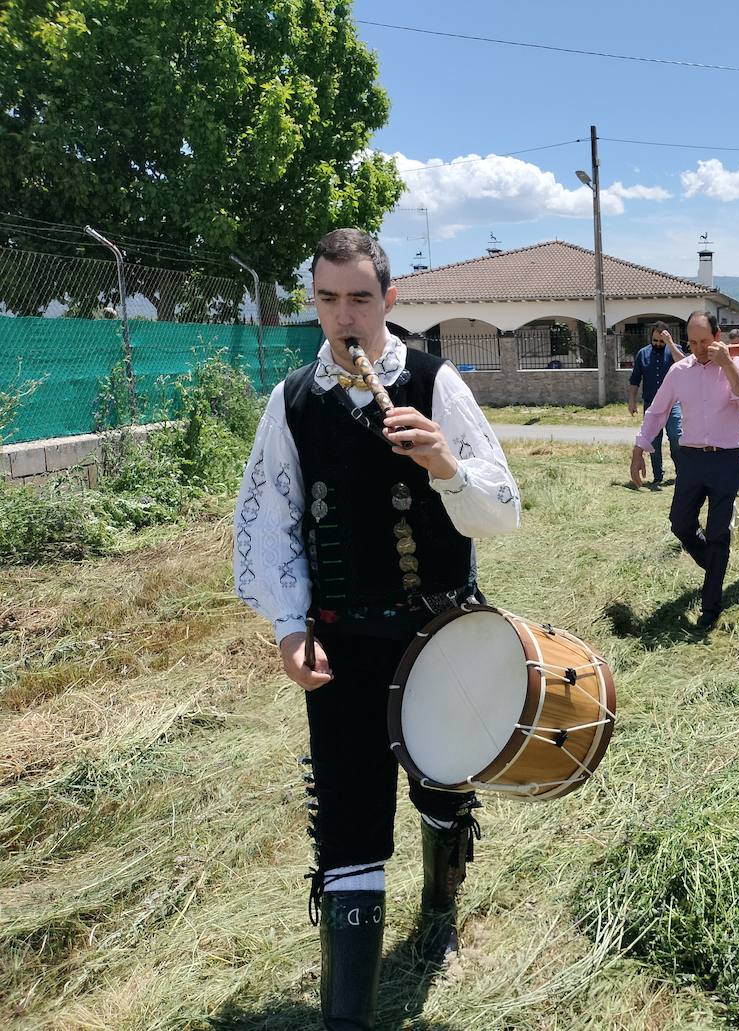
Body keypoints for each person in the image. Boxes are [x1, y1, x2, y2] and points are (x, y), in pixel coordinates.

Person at [232, 229, 522, 1028]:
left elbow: (502, 510)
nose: (343, 315)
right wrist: (290, 626)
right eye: (327, 298)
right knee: (350, 817)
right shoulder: (293, 399)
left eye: (360, 297)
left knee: (441, 787)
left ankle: (439, 914)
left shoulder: (435, 383)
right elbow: (269, 523)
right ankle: (346, 1017)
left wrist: (448, 470)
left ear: (389, 301)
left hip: (440, 639)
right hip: (341, 647)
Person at [630, 311, 739, 631]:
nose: (700, 348)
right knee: (680, 523)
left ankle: (711, 605)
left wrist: (727, 365)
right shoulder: (679, 371)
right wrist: (639, 449)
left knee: (718, 533)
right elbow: (657, 411)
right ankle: (715, 569)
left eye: (706, 341)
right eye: (694, 342)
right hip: (691, 458)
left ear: (718, 336)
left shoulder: (736, 366)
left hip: (727, 459)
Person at [627, 322, 685, 486]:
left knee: (676, 436)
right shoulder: (642, 354)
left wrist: (670, 344)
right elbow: (634, 381)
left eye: (661, 341)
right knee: (653, 440)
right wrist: (631, 401)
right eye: (655, 341)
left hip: (673, 403)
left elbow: (685, 365)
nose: (658, 344)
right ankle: (658, 476)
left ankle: (682, 473)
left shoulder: (675, 349)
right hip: (651, 404)